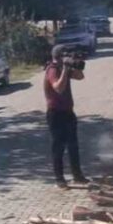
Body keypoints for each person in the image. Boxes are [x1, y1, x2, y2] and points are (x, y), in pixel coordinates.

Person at [44, 45, 89, 189]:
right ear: (59, 57)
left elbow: (81, 77)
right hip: (55, 114)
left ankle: (78, 176)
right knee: (58, 147)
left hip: (68, 112)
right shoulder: (52, 69)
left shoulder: (64, 68)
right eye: (66, 56)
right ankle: (59, 179)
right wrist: (64, 69)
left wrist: (75, 65)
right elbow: (58, 87)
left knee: (73, 146)